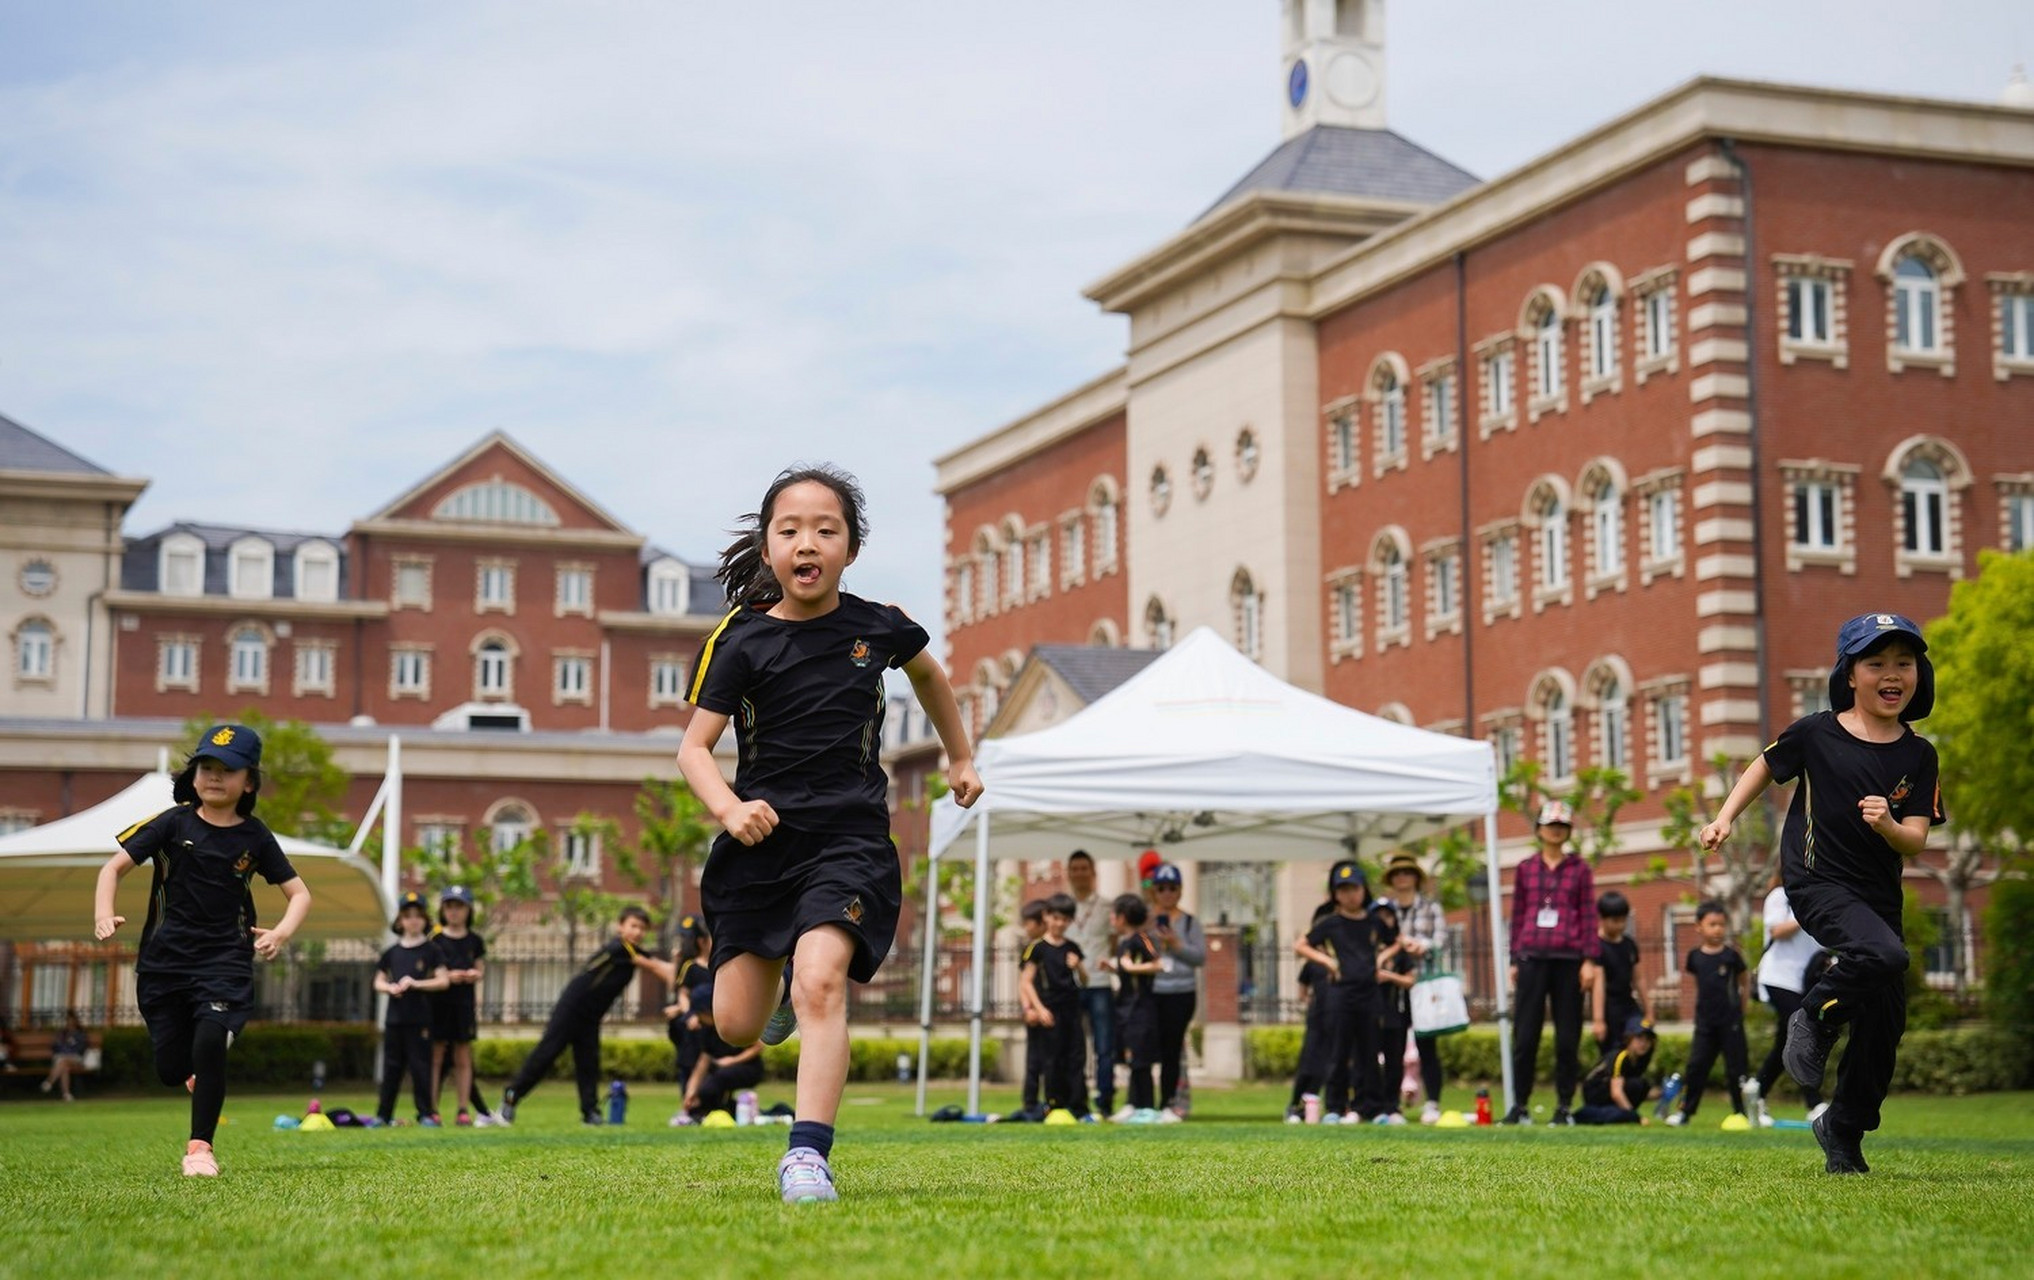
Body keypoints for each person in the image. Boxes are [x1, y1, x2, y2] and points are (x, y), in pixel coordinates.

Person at [677, 464, 982, 1204]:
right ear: (769, 545)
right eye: (789, 530)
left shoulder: (877, 625)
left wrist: (961, 754)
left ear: (850, 547)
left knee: (822, 983)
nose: (807, 541)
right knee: (734, 1026)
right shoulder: (741, 639)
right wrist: (728, 809)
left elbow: (933, 680)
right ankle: (778, 979)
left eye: (825, 529)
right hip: (761, 845)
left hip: (848, 840)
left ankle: (807, 1156)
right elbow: (693, 750)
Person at [1701, 612, 1943, 1174]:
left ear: (1918, 675)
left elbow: (1914, 841)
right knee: (1883, 957)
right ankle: (1812, 1015)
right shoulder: (1816, 732)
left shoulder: (1919, 754)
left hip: (1877, 899)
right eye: (1876, 662)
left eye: (1903, 664)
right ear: (1850, 674)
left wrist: (1887, 825)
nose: (1892, 674)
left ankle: (1842, 1131)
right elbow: (1764, 766)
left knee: (1885, 1024)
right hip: (1815, 880)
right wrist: (1724, 818)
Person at [94, 722, 313, 1177]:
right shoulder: (171, 823)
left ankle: (200, 1149)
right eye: (206, 767)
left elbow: (300, 894)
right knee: (171, 1069)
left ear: (248, 781)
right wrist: (104, 913)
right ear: (193, 774)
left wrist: (282, 933)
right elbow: (112, 869)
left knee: (211, 1040)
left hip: (225, 962)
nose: (215, 777)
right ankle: (194, 1071)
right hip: (163, 963)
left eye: (227, 770)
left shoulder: (255, 837)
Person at [499, 906, 669, 1126]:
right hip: (572, 1008)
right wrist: (686, 972)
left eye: (642, 928)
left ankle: (590, 1112)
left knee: (588, 1062)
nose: (638, 932)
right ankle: (510, 1098)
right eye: (633, 926)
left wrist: (687, 968)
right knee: (546, 1054)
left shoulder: (632, 950)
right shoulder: (619, 948)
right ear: (620, 926)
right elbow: (654, 966)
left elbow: (660, 965)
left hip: (591, 1015)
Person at [1503, 800, 1599, 1125]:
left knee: (1567, 1038)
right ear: (1539, 830)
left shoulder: (1580, 869)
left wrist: (1589, 960)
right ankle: (1520, 1105)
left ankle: (1563, 1106)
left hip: (1569, 959)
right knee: (1525, 1036)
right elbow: (1517, 915)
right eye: (1550, 825)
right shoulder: (1525, 868)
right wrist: (1514, 959)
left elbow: (1588, 914)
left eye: (1562, 825)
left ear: (1568, 831)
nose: (1555, 830)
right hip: (1531, 957)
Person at [1294, 861, 1395, 1124]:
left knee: (1369, 1053)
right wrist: (1327, 962)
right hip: (1341, 995)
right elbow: (1301, 945)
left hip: (1369, 994)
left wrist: (1381, 959)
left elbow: (1396, 943)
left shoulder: (1374, 922)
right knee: (1338, 1052)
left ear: (1364, 890)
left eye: (1355, 888)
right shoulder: (1331, 923)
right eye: (1343, 890)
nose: (1350, 895)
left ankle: (1370, 1107)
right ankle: (1335, 1107)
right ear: (1336, 893)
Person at [1667, 900, 1749, 1125]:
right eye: (1712, 924)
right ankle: (1685, 1112)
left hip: (1730, 1021)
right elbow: (1698, 984)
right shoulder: (1694, 957)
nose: (1718, 929)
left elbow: (1744, 980)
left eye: (1722, 924)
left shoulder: (1731, 956)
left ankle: (1742, 1112)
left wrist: (1741, 1008)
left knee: (1736, 1069)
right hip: (1705, 1023)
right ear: (1699, 927)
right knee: (1696, 1066)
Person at [1751, 877, 1824, 1125]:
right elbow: (1777, 931)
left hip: (1804, 981)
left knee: (1784, 1041)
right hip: (1778, 977)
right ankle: (1814, 1103)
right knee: (1803, 1032)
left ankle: (1755, 1093)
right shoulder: (1780, 896)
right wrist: (1807, 910)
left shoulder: (1820, 893)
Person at [1380, 852, 1448, 1122]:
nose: (1402, 878)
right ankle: (1391, 1104)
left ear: (1416, 878)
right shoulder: (1385, 909)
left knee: (1427, 1044)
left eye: (1407, 873)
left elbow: (1440, 940)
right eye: (1397, 874)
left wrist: (1421, 946)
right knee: (1392, 1046)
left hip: (1423, 984)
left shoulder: (1431, 907)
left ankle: (1432, 1102)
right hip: (1394, 985)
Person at [375, 890, 451, 1127]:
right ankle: (383, 1115)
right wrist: (390, 988)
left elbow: (443, 980)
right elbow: (377, 981)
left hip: (420, 1019)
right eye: (408, 915)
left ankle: (426, 1113)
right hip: (395, 1018)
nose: (413, 920)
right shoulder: (391, 953)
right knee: (392, 1068)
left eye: (418, 915)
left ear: (425, 919)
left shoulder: (432, 950)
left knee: (421, 1067)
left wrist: (416, 983)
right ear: (400, 921)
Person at [1021, 893, 1091, 1121]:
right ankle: (1054, 1103)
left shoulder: (1073, 948)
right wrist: (1039, 1009)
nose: (1059, 923)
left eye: (1065, 919)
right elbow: (1026, 981)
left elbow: (1085, 980)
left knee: (1076, 1056)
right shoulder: (1037, 948)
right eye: (1055, 918)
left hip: (1071, 1009)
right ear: (1047, 916)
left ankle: (1078, 1106)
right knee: (1051, 1059)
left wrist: (1078, 966)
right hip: (1049, 1009)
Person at [427, 885, 493, 1126]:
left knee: (463, 1057)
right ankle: (431, 1109)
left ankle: (463, 1109)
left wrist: (474, 975)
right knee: (435, 1055)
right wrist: (449, 976)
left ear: (468, 910)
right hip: (439, 1004)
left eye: (459, 907)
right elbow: (431, 971)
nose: (454, 912)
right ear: (443, 910)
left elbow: (480, 967)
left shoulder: (474, 940)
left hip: (464, 1004)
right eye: (450, 907)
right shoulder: (435, 939)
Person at [1146, 863, 1205, 1120]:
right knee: (1150, 1048)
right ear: (1154, 892)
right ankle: (1145, 1102)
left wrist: (1176, 944)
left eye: (1172, 888)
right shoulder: (1147, 922)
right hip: (1154, 990)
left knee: (1172, 1049)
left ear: (1180, 891)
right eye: (1161, 888)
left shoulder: (1190, 922)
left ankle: (1169, 1102)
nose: (1167, 893)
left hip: (1181, 992)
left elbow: (1200, 957)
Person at [1062, 850, 1118, 1117]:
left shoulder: (1107, 907)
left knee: (1104, 1046)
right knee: (1073, 1047)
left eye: (1085, 868)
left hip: (1099, 984)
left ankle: (1105, 1101)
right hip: (1070, 985)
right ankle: (1075, 1100)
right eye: (1075, 869)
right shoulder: (1063, 909)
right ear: (1069, 873)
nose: (1080, 873)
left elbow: (1115, 941)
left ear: (1093, 872)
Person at [1102, 893, 1162, 1121]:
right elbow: (1127, 967)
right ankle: (1132, 1104)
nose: (1111, 918)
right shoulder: (1124, 942)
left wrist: (1128, 967)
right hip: (1125, 1007)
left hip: (1141, 1008)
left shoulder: (1142, 938)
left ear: (1122, 917)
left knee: (1141, 1059)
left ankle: (1146, 1107)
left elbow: (1158, 964)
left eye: (1113, 914)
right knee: (1131, 1058)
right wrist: (1113, 967)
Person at [679, 985, 765, 1123]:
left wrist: (732, 1060)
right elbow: (703, 1061)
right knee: (705, 1088)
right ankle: (726, 1113)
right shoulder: (707, 1030)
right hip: (723, 1070)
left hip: (749, 1068)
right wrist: (691, 1091)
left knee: (713, 1084)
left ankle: (724, 1111)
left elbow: (758, 1047)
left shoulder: (735, 1021)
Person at [1284, 900, 1337, 1123]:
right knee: (1311, 1062)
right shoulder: (1313, 963)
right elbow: (1302, 991)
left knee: (1333, 1063)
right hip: (1318, 1016)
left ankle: (1336, 1107)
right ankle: (1296, 1106)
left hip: (1341, 1015)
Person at [662, 916, 714, 1124]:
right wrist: (689, 1014)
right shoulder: (690, 967)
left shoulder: (718, 965)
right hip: (694, 1027)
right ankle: (689, 1107)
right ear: (702, 941)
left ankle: (711, 1106)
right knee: (689, 1063)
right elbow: (683, 994)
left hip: (715, 1026)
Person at [1589, 891, 1650, 1061]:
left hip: (1629, 1004)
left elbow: (1639, 979)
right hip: (1609, 1008)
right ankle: (1609, 1085)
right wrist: (1599, 1020)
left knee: (1642, 1041)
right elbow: (1598, 985)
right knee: (1613, 1054)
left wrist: (1649, 1011)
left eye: (1624, 920)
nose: (1620, 925)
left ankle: (1633, 1084)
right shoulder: (1596, 946)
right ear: (1601, 917)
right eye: (1615, 921)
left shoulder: (1629, 944)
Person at [1371, 902, 1417, 1124]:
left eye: (1387, 916)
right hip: (1368, 1014)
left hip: (1394, 1013)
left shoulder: (1401, 952)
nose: (1382, 921)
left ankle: (1392, 1106)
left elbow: (1410, 980)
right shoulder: (1364, 947)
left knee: (1394, 1062)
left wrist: (1389, 977)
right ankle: (1371, 1105)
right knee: (1367, 1062)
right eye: (1377, 916)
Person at [1574, 1016, 1657, 1125]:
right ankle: (1594, 1113)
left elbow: (1642, 1093)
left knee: (1642, 1085)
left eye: (1647, 1040)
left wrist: (1665, 1092)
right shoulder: (1621, 1056)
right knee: (1636, 1085)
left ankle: (1619, 1113)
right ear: (1629, 1038)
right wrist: (1635, 1117)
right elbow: (1616, 1093)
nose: (1644, 1043)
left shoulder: (1639, 1059)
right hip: (1596, 1092)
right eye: (1639, 1038)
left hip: (1611, 1092)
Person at [1012, 899, 1050, 1122]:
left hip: (1048, 1012)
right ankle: (1030, 1103)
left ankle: (1050, 1101)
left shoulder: (1049, 948)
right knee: (1034, 1060)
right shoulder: (1030, 950)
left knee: (1051, 1060)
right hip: (1035, 1013)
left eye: (1029, 923)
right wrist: (1028, 1009)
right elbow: (1023, 982)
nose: (1026, 928)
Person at [42, 1011, 90, 1101]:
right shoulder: (61, 1033)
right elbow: (55, 1047)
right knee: (65, 1067)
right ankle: (66, 1094)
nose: (70, 1023)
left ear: (76, 1022)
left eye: (72, 1021)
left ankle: (49, 1081)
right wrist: (57, 1043)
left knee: (63, 1062)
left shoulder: (80, 1034)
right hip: (61, 1057)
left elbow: (81, 1049)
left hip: (75, 1058)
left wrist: (72, 1045)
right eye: (68, 1021)